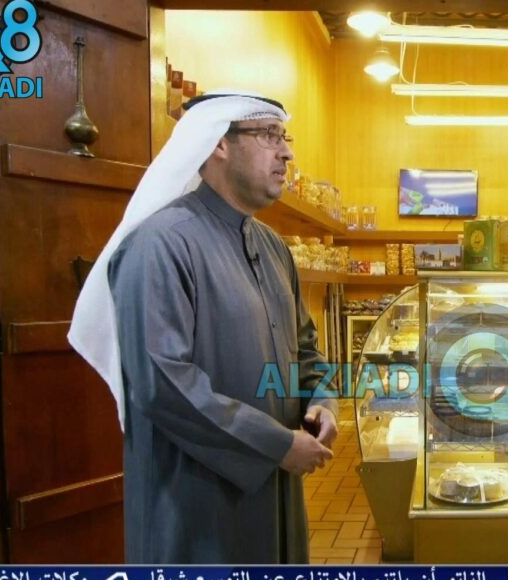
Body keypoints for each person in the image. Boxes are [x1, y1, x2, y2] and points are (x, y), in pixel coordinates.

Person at [68, 90, 338, 563]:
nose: (286, 153)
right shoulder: (160, 245)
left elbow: (305, 348)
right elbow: (163, 382)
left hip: (274, 489)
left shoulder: (273, 248)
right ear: (219, 143)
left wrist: (322, 401)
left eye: (285, 137)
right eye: (269, 135)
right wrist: (277, 444)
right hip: (195, 505)